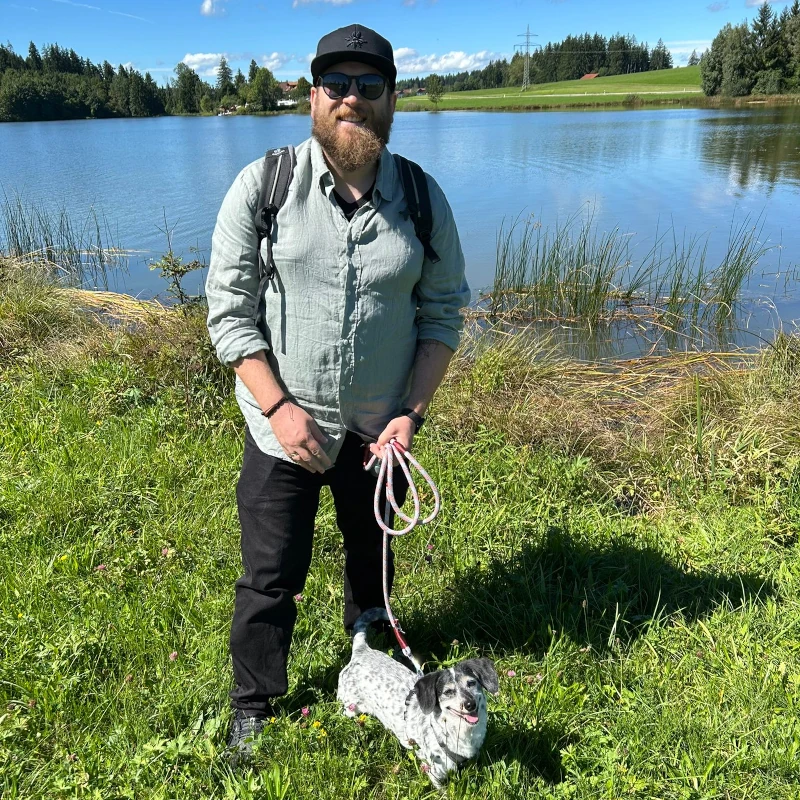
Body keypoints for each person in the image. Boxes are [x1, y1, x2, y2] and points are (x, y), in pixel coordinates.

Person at [205, 23, 470, 762]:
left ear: (391, 99)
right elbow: (228, 314)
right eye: (337, 85)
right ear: (312, 96)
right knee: (268, 577)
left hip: (378, 439)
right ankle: (254, 705)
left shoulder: (421, 197)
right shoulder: (264, 186)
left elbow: (444, 313)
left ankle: (371, 665)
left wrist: (410, 415)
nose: (351, 99)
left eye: (369, 85)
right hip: (279, 432)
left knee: (373, 566)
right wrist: (280, 408)